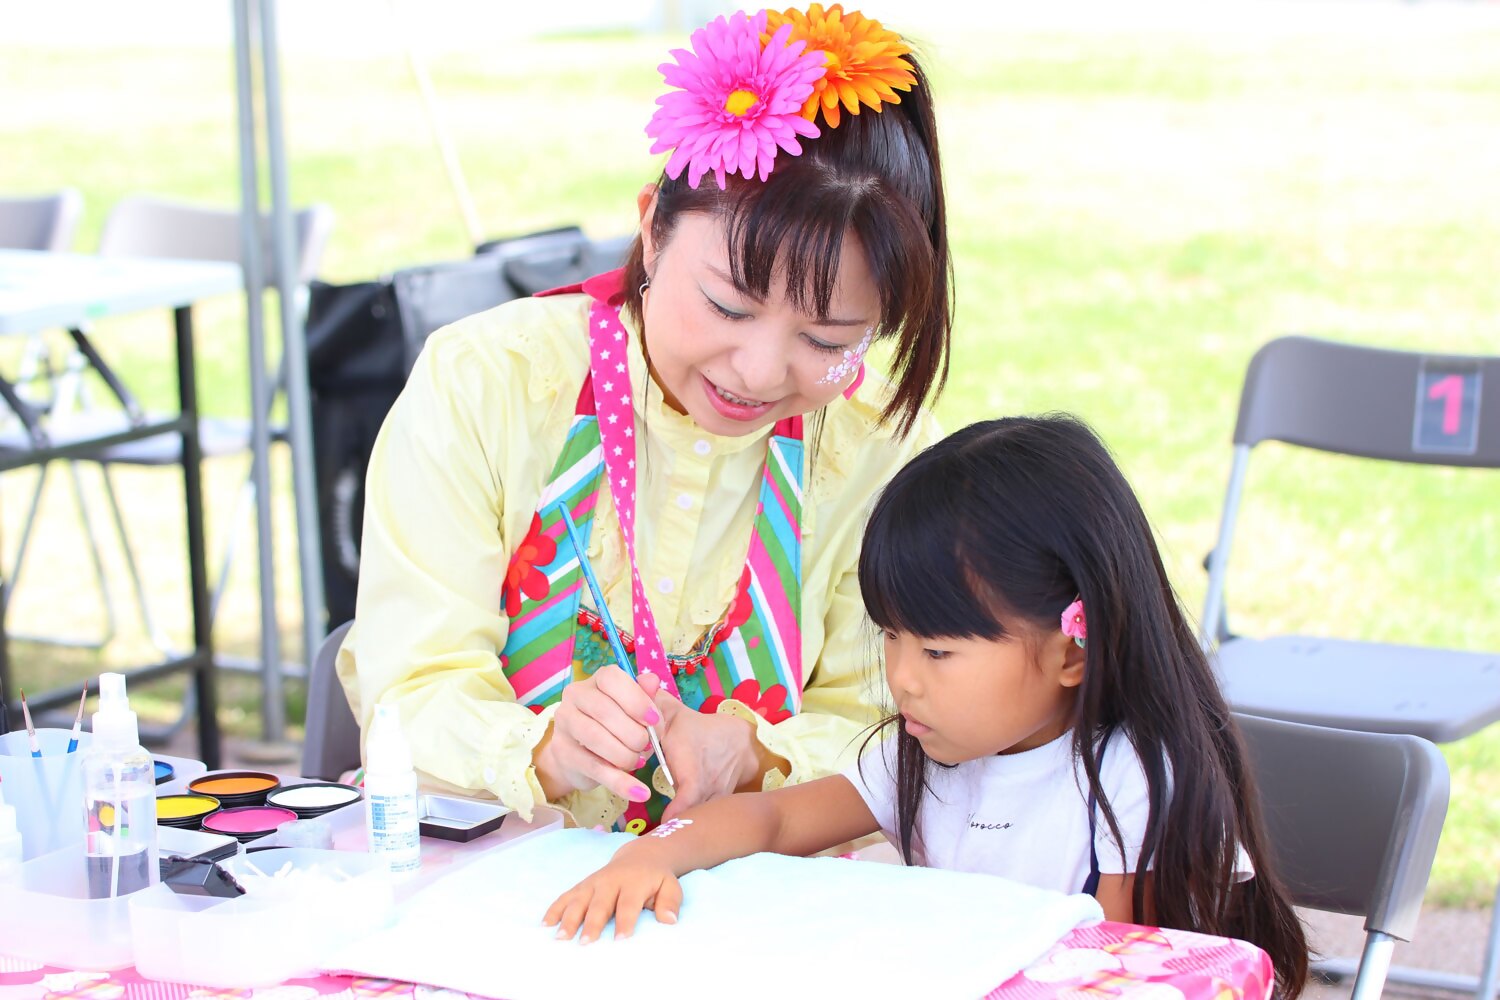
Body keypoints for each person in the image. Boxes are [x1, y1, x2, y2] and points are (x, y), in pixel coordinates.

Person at [336, 5, 952, 834]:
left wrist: (756, 755)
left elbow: (902, 730)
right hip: (498, 881)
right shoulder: (492, 383)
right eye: (728, 305)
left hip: (766, 892)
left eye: (827, 340)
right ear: (652, 229)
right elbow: (408, 689)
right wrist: (541, 749)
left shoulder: (876, 452)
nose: (759, 372)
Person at [544, 415, 1309, 999]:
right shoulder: (925, 752)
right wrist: (652, 855)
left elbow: (1116, 972)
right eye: (891, 637)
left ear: (1073, 651)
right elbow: (771, 819)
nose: (903, 679)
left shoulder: (1136, 780)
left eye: (938, 652)